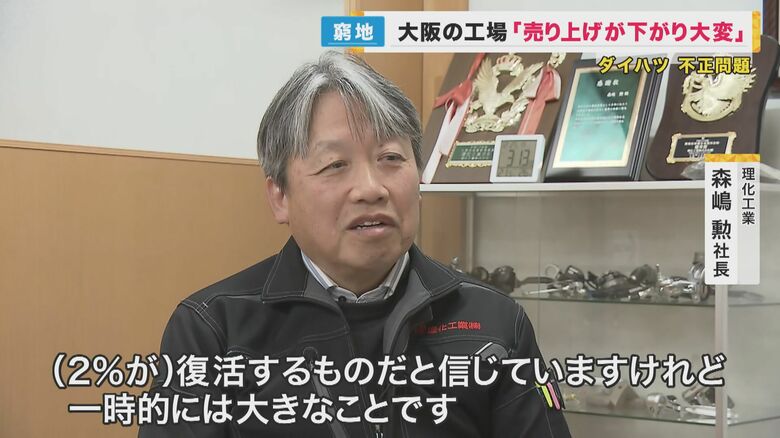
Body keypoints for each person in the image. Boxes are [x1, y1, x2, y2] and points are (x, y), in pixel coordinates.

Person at [139, 50, 571, 438]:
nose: (371, 188)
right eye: (335, 164)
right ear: (280, 196)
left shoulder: (496, 322)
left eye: (391, 159)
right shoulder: (213, 329)